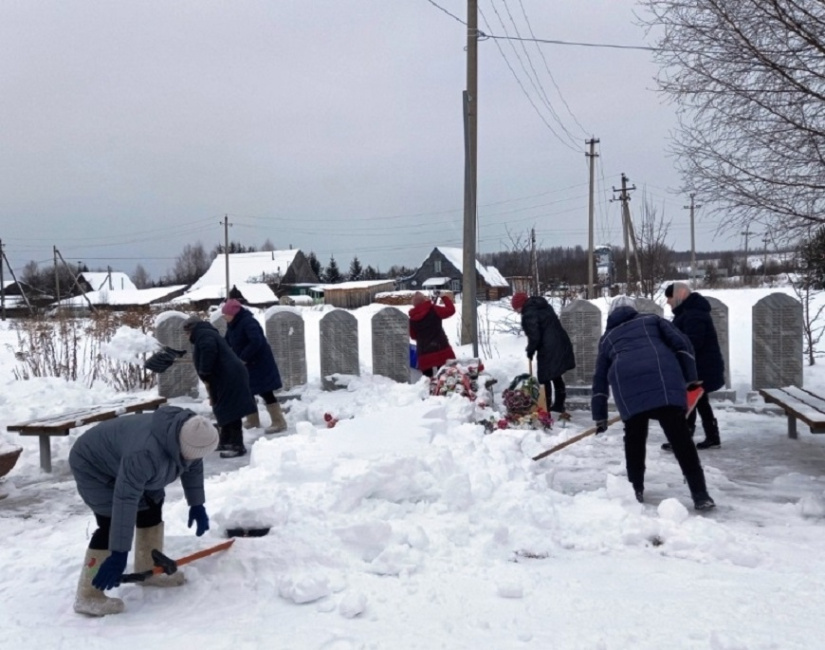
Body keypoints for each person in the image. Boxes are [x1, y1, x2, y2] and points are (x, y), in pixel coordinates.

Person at [69, 406, 218, 616]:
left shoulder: (191, 435)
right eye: (191, 456)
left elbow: (193, 464)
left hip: (125, 456)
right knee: (111, 522)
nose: (194, 460)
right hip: (94, 464)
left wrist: (197, 504)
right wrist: (119, 553)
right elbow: (125, 499)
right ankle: (88, 595)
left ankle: (149, 569)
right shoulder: (145, 454)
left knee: (151, 506)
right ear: (180, 447)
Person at [591, 295, 715, 510]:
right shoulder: (652, 320)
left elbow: (600, 379)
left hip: (628, 390)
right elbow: (682, 343)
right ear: (633, 310)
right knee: (680, 439)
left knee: (634, 440)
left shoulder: (607, 339)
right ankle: (700, 494)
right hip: (664, 382)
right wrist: (690, 377)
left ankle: (635, 490)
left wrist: (599, 415)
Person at [662, 282, 725, 450]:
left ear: (679, 295)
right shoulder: (688, 312)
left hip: (700, 368)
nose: (668, 302)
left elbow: (693, 342)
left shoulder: (694, 314)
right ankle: (711, 437)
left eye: (669, 297)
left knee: (690, 403)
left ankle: (685, 440)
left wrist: (672, 349)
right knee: (698, 402)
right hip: (697, 367)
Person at [184, 315, 258, 458]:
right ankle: (225, 440)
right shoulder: (205, 333)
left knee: (232, 409)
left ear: (192, 329)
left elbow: (208, 349)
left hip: (228, 376)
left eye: (187, 333)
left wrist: (205, 370)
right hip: (224, 375)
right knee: (222, 408)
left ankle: (237, 445)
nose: (186, 336)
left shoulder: (203, 334)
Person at [222, 299, 288, 434]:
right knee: (247, 391)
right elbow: (227, 341)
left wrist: (243, 358)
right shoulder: (232, 324)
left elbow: (256, 341)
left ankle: (279, 422)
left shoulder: (248, 322)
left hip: (259, 363)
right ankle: (252, 420)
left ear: (233, 313)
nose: (224, 317)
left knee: (266, 391)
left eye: (226, 314)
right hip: (246, 364)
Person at [511, 292, 575, 414]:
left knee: (545, 377)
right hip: (560, 343)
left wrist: (530, 350)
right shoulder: (542, 305)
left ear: (521, 305)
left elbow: (535, 336)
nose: (516, 311)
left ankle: (545, 407)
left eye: (516, 308)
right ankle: (559, 405)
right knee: (556, 375)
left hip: (548, 348)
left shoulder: (529, 313)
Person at [408, 291, 456, 377]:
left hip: (424, 354)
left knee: (427, 381)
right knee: (445, 378)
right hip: (441, 349)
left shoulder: (412, 320)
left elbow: (413, 336)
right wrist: (444, 297)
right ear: (424, 300)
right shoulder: (434, 309)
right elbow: (451, 310)